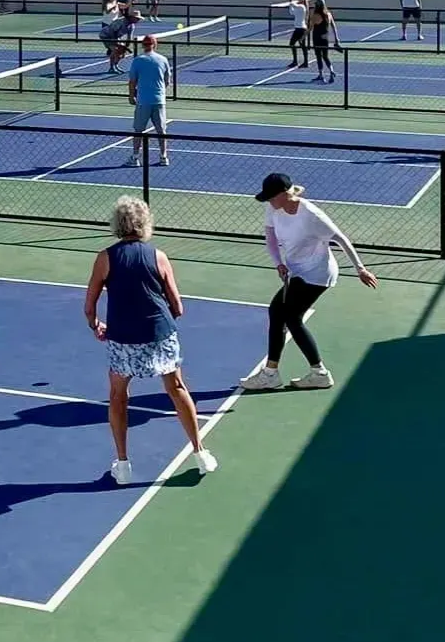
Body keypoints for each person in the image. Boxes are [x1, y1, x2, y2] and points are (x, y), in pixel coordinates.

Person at [84, 196, 218, 485]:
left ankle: (122, 465)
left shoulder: (105, 258)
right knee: (176, 387)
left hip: (122, 339)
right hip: (160, 335)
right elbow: (178, 307)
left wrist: (96, 325)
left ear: (117, 225)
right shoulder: (159, 257)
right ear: (145, 224)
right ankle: (200, 452)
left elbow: (90, 305)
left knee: (118, 396)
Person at [241, 173, 377, 391]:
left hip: (318, 273)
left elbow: (340, 238)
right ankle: (274, 373)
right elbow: (270, 236)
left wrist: (360, 268)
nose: (269, 201)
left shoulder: (312, 216)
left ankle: (313, 373)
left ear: (285, 194)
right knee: (278, 312)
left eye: (272, 197)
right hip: (296, 270)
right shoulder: (273, 208)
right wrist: (278, 263)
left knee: (290, 317)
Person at [126, 33, 171, 167]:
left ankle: (135, 158)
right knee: (161, 131)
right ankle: (164, 157)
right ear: (155, 45)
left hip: (143, 101)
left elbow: (132, 81)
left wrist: (131, 95)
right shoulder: (163, 59)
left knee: (138, 131)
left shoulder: (138, 60)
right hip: (159, 101)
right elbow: (167, 81)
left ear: (142, 45)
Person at [307, 0, 339, 83]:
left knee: (318, 56)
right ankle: (331, 71)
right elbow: (334, 27)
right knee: (325, 56)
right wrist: (337, 39)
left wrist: (304, 36)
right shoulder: (328, 14)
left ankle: (321, 75)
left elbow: (310, 28)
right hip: (325, 37)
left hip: (317, 37)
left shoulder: (315, 15)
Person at [283, 0, 309, 69]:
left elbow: (293, 4)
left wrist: (291, 1)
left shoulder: (302, 7)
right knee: (292, 44)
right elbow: (291, 12)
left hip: (301, 29)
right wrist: (291, 2)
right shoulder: (297, 7)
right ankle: (295, 61)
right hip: (297, 29)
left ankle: (305, 62)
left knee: (302, 46)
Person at [97, 0, 121, 71]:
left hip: (115, 27)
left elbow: (125, 6)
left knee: (119, 49)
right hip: (107, 26)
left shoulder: (116, 3)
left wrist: (131, 1)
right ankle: (112, 66)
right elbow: (107, 11)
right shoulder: (106, 3)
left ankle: (115, 65)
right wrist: (112, 7)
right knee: (114, 48)